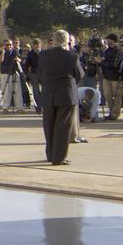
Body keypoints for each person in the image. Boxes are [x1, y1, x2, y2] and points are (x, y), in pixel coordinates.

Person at [38, 29, 84, 165]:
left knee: (49, 125)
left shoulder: (44, 55)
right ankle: (59, 157)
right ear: (67, 40)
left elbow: (39, 73)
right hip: (66, 93)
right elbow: (79, 75)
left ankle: (51, 154)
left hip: (48, 92)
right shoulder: (72, 56)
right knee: (63, 127)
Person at [99, 34, 123, 121]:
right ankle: (111, 111)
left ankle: (115, 113)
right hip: (106, 76)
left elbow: (114, 64)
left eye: (109, 39)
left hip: (116, 76)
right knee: (107, 95)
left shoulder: (118, 51)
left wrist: (102, 62)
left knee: (116, 96)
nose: (107, 41)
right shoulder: (107, 51)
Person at [0, 39, 24, 111]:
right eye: (7, 45)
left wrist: (18, 59)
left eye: (10, 45)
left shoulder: (15, 51)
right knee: (6, 92)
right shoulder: (1, 52)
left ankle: (19, 107)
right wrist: (3, 52)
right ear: (4, 45)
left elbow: (20, 60)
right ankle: (5, 107)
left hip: (14, 73)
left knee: (17, 91)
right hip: (5, 73)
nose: (9, 46)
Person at [24, 38, 43, 112]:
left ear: (40, 44)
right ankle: (38, 107)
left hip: (43, 74)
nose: (37, 46)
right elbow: (27, 65)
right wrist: (26, 73)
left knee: (45, 90)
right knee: (36, 91)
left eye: (38, 44)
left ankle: (44, 105)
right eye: (35, 45)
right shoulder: (30, 53)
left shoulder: (44, 53)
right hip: (34, 74)